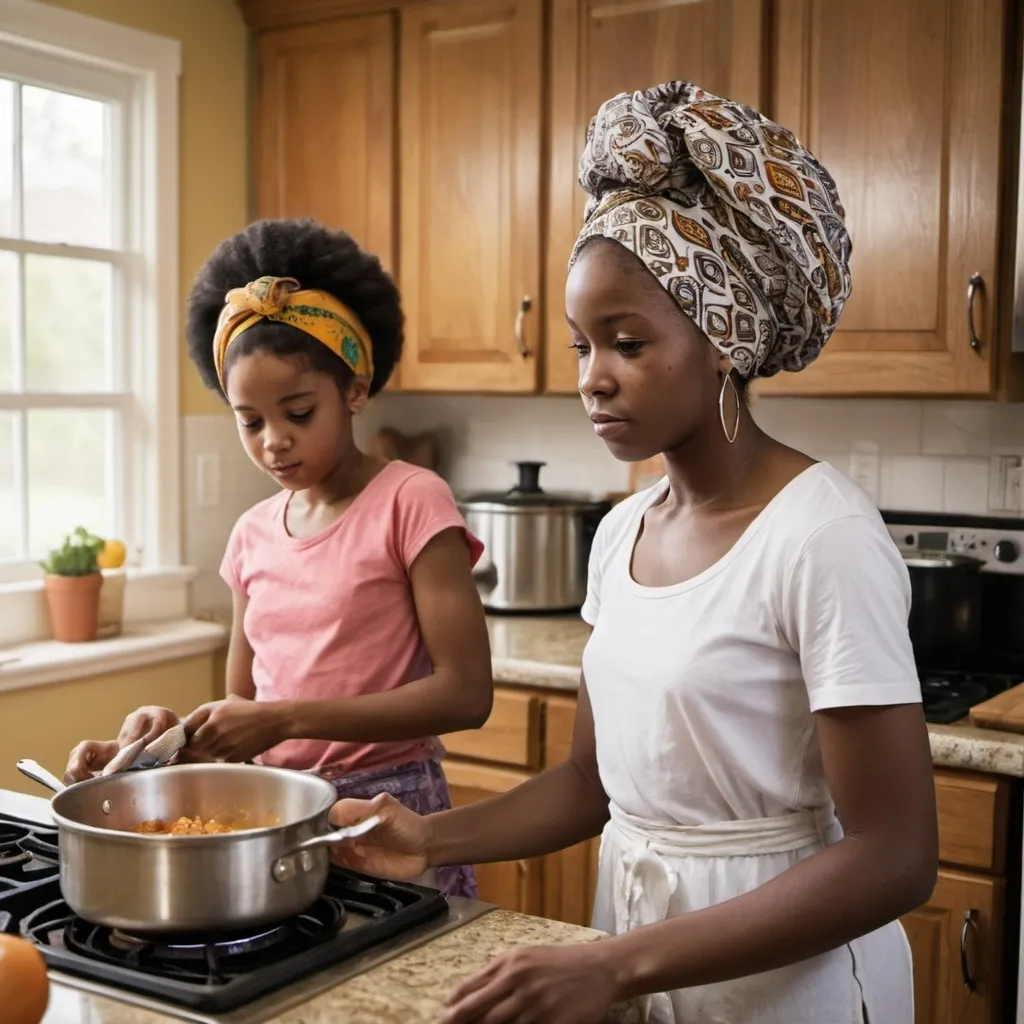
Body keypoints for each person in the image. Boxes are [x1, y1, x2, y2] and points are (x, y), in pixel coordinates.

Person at [327, 83, 937, 1023]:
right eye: (581, 345)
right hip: (640, 957)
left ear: (724, 337)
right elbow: (588, 784)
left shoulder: (824, 537)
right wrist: (423, 837)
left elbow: (896, 857)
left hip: (790, 987)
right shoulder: (621, 534)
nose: (590, 379)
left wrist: (618, 966)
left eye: (626, 342)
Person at [64, 219, 493, 899]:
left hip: (393, 813)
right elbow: (244, 708)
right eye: (251, 421)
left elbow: (466, 695)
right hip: (274, 815)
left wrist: (285, 717)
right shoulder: (251, 534)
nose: (274, 443)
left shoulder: (412, 500)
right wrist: (160, 740)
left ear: (354, 389)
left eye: (298, 412)